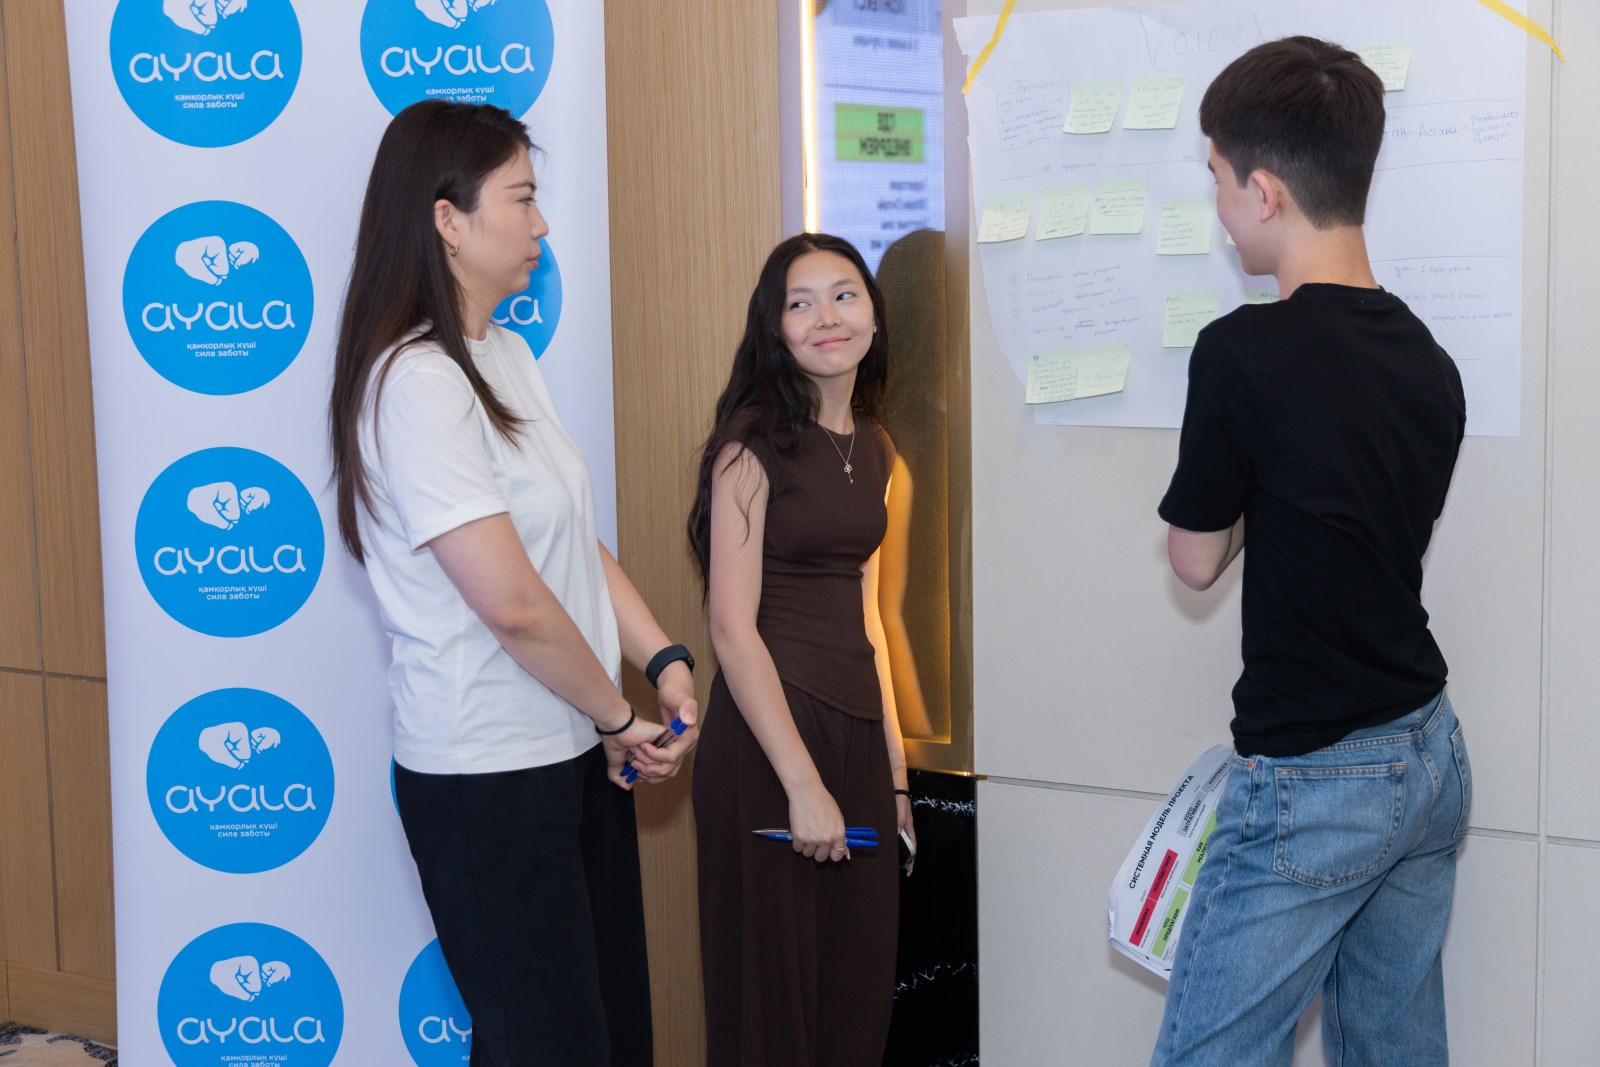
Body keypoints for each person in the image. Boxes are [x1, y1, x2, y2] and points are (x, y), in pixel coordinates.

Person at [327, 99, 698, 1067]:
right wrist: (619, 716)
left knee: (604, 1037)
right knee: (548, 1045)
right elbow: (514, 604)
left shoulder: (505, 352)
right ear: (447, 219)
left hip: (570, 746)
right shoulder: (415, 383)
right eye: (522, 199)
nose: (541, 225)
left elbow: (568, 541)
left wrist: (661, 656)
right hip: (485, 774)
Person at [1151, 38, 1470, 1067]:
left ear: (1265, 191)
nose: (1216, 204)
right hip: (1426, 750)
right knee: (1392, 1049)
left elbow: (1194, 559)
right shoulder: (1429, 360)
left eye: (1215, 178)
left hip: (1315, 781)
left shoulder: (1241, 352)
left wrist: (1253, 480)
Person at [687, 233, 916, 1066]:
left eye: (845, 294)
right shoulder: (750, 447)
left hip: (856, 736)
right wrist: (804, 784)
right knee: (771, 1020)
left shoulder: (876, 445)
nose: (827, 316)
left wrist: (894, 775)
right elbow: (730, 627)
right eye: (801, 302)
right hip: (770, 743)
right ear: (774, 327)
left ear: (874, 315)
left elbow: (869, 619)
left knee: (854, 1006)